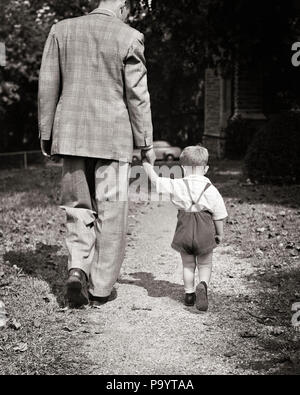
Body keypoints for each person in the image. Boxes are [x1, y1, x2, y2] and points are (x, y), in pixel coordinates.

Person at [38, 0, 155, 308]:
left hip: (72, 135)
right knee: (112, 211)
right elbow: (138, 96)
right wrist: (146, 144)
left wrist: (47, 133)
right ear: (124, 6)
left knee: (77, 206)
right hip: (113, 138)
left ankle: (77, 268)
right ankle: (101, 288)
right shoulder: (129, 36)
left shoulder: (61, 30)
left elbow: (48, 85)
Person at [142, 146, 228, 311]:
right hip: (205, 231)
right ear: (206, 168)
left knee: (188, 265)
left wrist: (147, 164)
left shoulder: (177, 185)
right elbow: (219, 215)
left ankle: (189, 294)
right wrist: (219, 234)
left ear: (182, 167)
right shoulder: (211, 190)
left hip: (184, 230)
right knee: (205, 263)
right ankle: (202, 284)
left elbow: (156, 181)